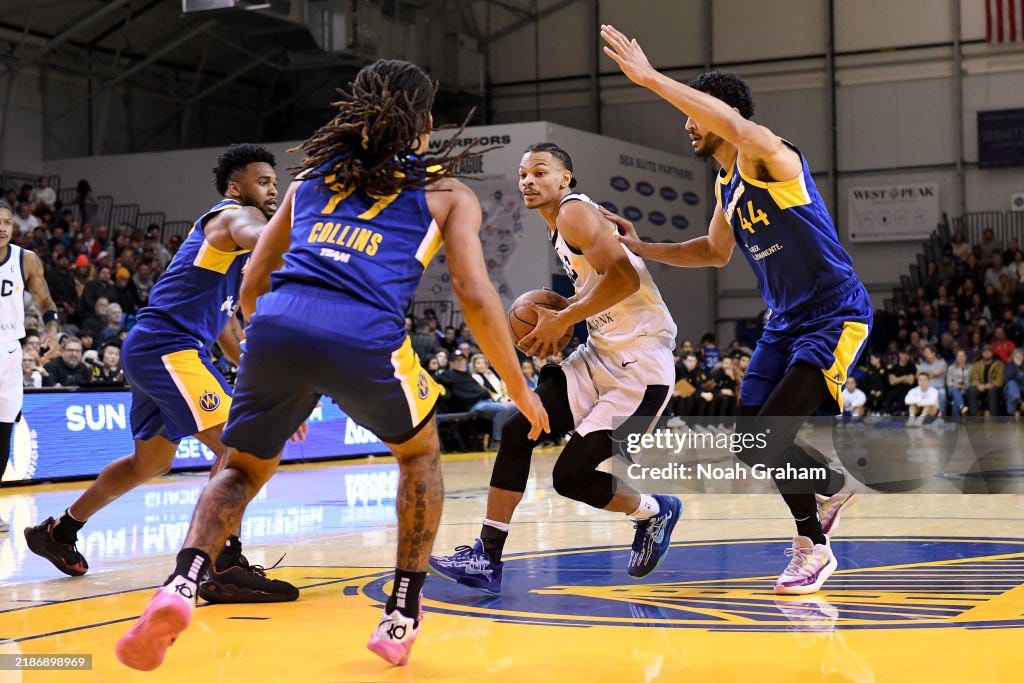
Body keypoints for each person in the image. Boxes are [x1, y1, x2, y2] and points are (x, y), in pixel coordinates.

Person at [114, 60, 548, 671]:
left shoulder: (313, 177)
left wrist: (284, 367)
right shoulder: (448, 193)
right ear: (425, 122)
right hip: (365, 332)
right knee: (419, 455)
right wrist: (517, 385)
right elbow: (475, 297)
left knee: (239, 468)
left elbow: (254, 282)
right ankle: (400, 614)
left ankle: (180, 585)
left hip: (277, 324)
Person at [601, 25, 871, 595]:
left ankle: (812, 548)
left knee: (771, 434)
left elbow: (741, 128)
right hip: (784, 320)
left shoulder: (768, 156)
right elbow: (712, 251)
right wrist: (641, 246)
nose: (687, 124)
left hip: (831, 311)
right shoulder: (727, 187)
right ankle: (827, 484)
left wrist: (649, 78)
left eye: (696, 115)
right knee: (751, 442)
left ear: (720, 112)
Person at [24, 144, 298, 605]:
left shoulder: (227, 259)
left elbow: (224, 325)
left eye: (277, 183)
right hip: (166, 347)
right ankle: (221, 565)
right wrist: (319, 220)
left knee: (149, 462)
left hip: (158, 347)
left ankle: (59, 530)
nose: (274, 189)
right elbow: (260, 233)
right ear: (237, 187)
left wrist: (252, 370)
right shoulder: (230, 217)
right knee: (243, 452)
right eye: (265, 182)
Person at [430, 142, 682, 595]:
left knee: (571, 478)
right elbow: (606, 282)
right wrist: (566, 310)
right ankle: (486, 556)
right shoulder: (558, 227)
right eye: (523, 174)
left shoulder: (573, 213)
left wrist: (564, 318)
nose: (528, 181)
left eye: (540, 172)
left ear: (565, 178)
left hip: (640, 368)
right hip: (600, 353)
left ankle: (652, 510)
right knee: (516, 427)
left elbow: (624, 278)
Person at [1, 200, 61, 526]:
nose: (2, 227)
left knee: (3, 430)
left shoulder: (26, 260)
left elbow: (47, 304)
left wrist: (52, 333)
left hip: (10, 350)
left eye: (7, 222)